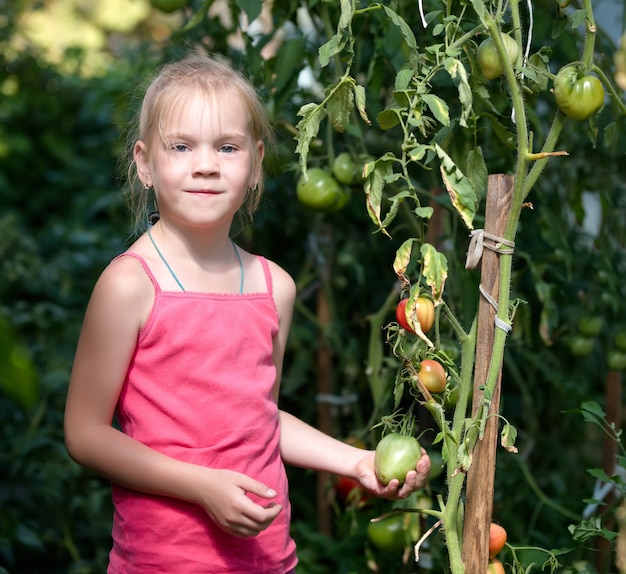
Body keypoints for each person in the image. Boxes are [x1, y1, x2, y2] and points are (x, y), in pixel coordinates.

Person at [64, 51, 431, 574]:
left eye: (228, 147)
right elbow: (85, 433)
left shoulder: (272, 285)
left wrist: (357, 462)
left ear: (256, 163)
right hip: (162, 564)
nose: (207, 164)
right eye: (182, 146)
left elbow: (259, 419)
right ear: (145, 163)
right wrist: (201, 486)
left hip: (268, 561)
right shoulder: (128, 285)